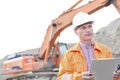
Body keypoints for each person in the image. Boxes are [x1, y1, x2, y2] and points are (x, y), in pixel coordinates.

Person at [57, 12, 120, 80]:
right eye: (83, 28)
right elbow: (61, 77)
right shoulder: (69, 55)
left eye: (90, 26)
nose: (88, 30)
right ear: (76, 31)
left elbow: (111, 74)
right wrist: (80, 77)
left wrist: (116, 76)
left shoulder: (105, 50)